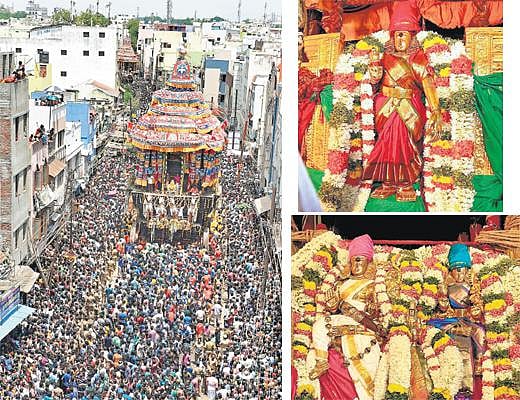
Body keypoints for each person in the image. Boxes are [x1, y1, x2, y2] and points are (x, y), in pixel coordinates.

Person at [362, 0, 443, 202]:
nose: (399, 39)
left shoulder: (419, 58)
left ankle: (406, 183)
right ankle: (388, 183)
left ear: (412, 36)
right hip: (385, 108)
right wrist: (373, 78)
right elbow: (374, 82)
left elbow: (428, 85)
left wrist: (435, 110)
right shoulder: (383, 57)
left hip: (409, 109)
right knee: (386, 145)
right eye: (397, 34)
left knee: (405, 146)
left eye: (403, 34)